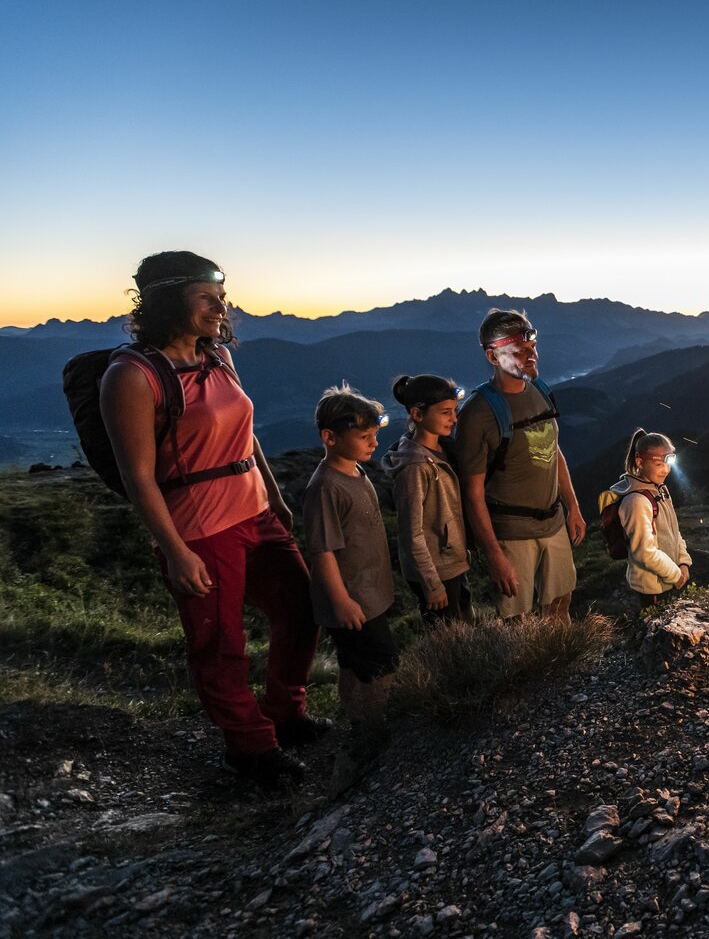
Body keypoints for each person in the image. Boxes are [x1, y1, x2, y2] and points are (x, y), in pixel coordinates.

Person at [99, 251, 325, 789]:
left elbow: (248, 432)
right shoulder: (131, 376)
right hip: (200, 529)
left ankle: (285, 714)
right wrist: (175, 551)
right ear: (167, 300)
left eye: (221, 298)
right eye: (208, 298)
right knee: (219, 643)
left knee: (302, 608)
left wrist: (274, 494)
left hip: (255, 513)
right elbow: (138, 476)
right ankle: (250, 750)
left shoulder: (218, 355)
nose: (222, 308)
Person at [455, 309, 585, 622]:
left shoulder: (540, 392)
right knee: (517, 621)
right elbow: (472, 494)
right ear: (492, 355)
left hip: (553, 524)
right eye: (520, 351)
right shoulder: (477, 415)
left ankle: (564, 670)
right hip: (511, 536)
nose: (532, 356)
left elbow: (554, 451)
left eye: (533, 347)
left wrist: (573, 506)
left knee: (560, 604)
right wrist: (494, 555)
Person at [302, 385, 399, 794]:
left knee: (353, 665)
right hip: (354, 601)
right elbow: (322, 551)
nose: (374, 442)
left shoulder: (356, 472)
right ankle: (375, 734)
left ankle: (357, 721)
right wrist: (341, 600)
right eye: (364, 436)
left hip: (370, 594)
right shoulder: (326, 487)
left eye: (375, 434)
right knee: (381, 667)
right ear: (330, 437)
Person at [381, 375, 472, 627]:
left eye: (454, 411)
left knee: (465, 633)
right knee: (448, 645)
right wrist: (431, 585)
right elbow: (411, 533)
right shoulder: (414, 467)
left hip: (452, 563)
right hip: (436, 571)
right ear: (417, 414)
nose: (453, 419)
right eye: (445, 412)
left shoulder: (444, 449)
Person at [606, 429, 692, 611]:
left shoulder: (660, 489)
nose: (666, 470)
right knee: (653, 631)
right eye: (659, 464)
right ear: (639, 461)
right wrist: (676, 575)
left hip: (667, 578)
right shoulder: (636, 501)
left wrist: (683, 562)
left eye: (669, 463)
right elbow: (644, 552)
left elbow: (673, 530)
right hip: (651, 587)